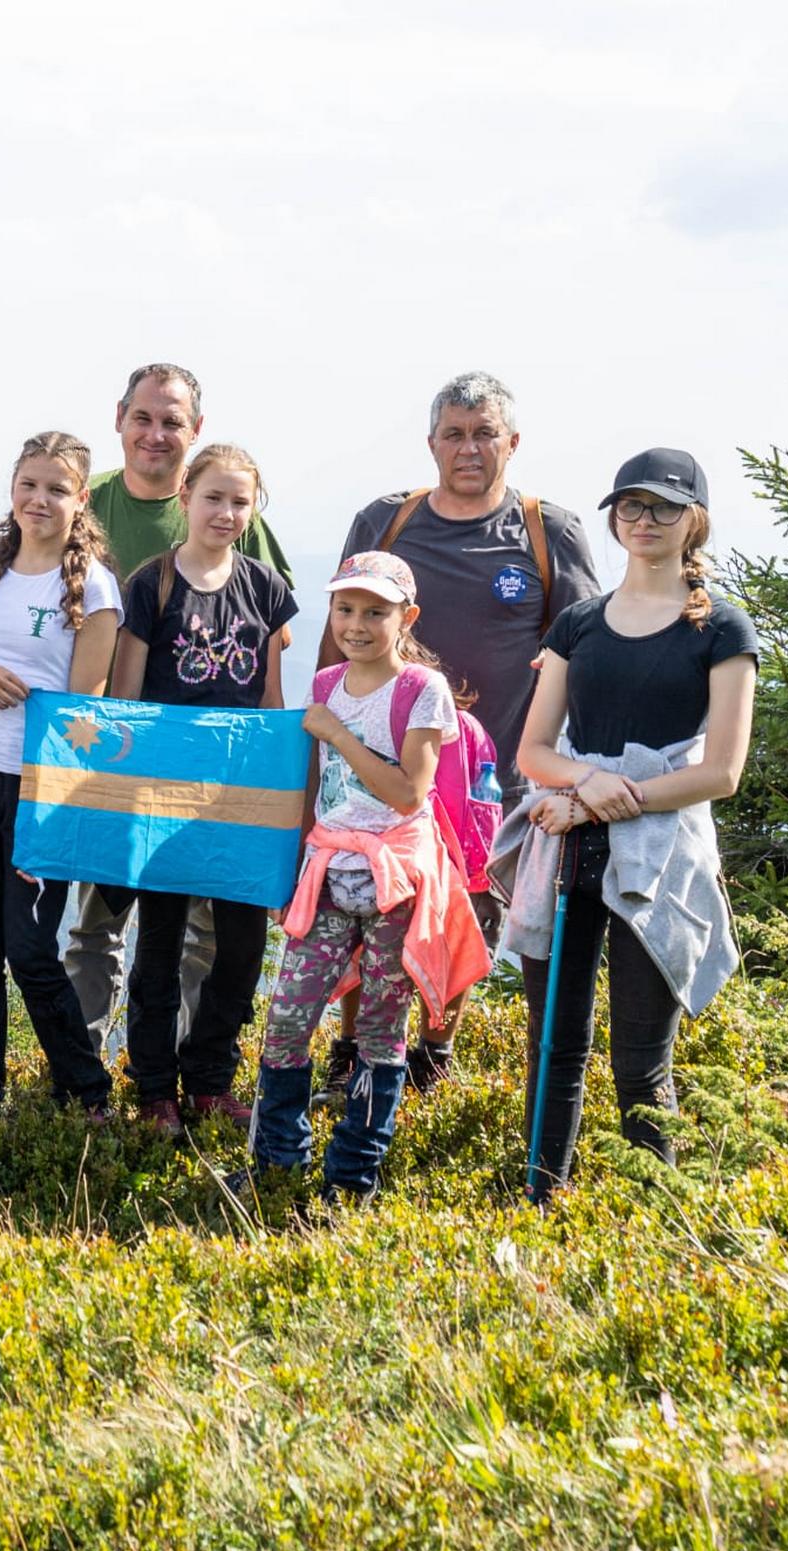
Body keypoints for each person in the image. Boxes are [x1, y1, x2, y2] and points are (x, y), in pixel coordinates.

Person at [326, 372, 602, 1089]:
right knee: (359, 902)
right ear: (431, 443)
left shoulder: (548, 531)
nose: (469, 449)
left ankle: (432, 1056)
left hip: (492, 774)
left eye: (485, 434)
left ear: (513, 443)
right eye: (455, 434)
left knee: (463, 920)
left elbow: (587, 652)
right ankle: (348, 1050)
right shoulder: (388, 520)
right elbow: (340, 630)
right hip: (373, 767)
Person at [499, 448, 755, 1199]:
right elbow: (534, 750)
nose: (643, 520)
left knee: (642, 1058)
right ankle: (540, 1202)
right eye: (631, 506)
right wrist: (588, 785)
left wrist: (601, 799)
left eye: (664, 508)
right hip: (568, 847)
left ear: (694, 522)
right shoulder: (578, 624)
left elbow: (722, 772)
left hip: (662, 854)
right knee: (553, 1049)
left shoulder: (724, 629)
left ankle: (656, 1217)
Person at [66, 362, 294, 1064]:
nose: (156, 433)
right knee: (102, 927)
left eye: (172, 422)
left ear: (194, 434)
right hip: (123, 766)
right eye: (144, 417)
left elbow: (268, 655)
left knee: (212, 935)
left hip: (222, 782)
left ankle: (201, 1065)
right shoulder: (86, 508)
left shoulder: (244, 538)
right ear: (119, 418)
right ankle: (82, 1074)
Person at [250, 552, 488, 1195]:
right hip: (327, 872)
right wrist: (290, 866)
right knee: (288, 1019)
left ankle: (353, 1174)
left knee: (383, 1030)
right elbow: (312, 781)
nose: (356, 624)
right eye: (345, 609)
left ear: (405, 617)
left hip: (396, 883)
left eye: (375, 612)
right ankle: (278, 1165)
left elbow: (411, 793)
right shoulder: (326, 682)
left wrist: (339, 734)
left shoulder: (421, 691)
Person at [0, 432, 120, 1137]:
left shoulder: (93, 587)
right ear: (13, 488)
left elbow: (85, 710)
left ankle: (87, 1091)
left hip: (41, 787)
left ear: (81, 499)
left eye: (57, 488)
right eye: (29, 485)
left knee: (29, 947)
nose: (40, 500)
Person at [108, 444, 297, 1136]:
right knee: (159, 946)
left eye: (240, 502)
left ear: (253, 511)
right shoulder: (150, 584)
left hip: (242, 796)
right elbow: (124, 696)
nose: (225, 512)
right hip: (161, 796)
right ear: (185, 496)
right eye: (213, 497)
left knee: (243, 948)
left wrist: (286, 803)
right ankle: (155, 1086)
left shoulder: (266, 590)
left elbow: (272, 700)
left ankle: (210, 1076)